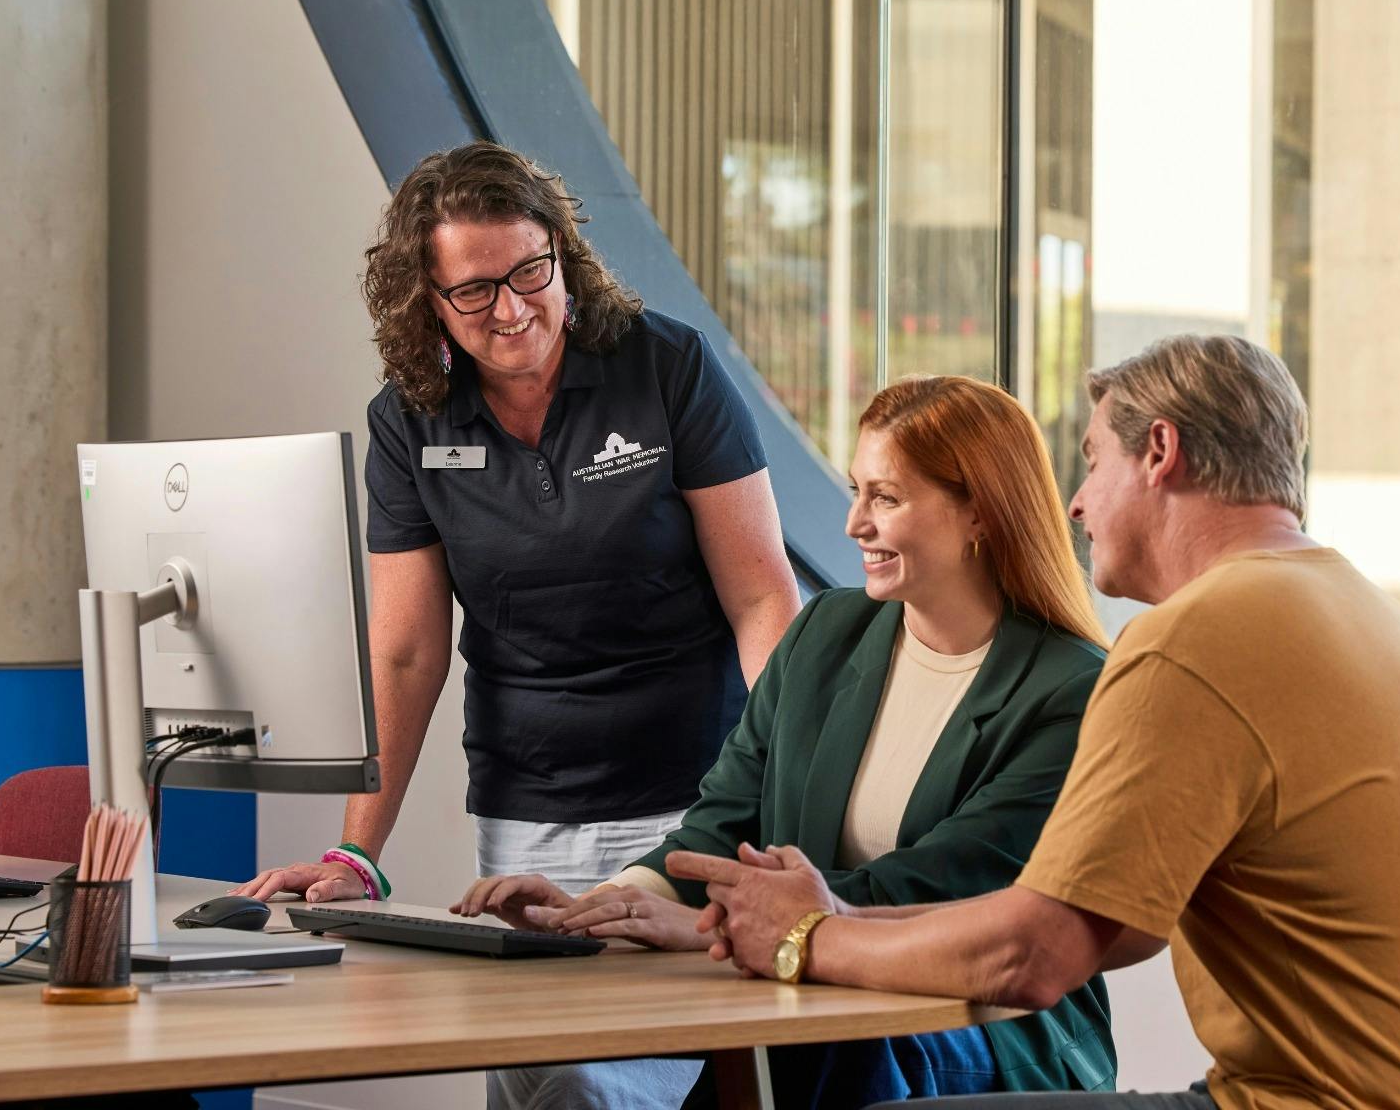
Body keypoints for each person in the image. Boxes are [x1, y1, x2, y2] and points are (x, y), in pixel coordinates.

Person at [669, 335, 1400, 1110]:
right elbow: (1123, 926)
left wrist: (806, 935)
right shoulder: (1348, 608)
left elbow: (1034, 957)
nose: (1073, 503)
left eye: (1094, 461)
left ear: (1161, 452)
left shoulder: (1195, 639)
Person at [232, 142, 802, 1106]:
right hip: (524, 818)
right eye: (475, 289)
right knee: (535, 1082)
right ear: (429, 303)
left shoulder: (665, 368)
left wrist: (783, 800)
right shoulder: (409, 422)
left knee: (604, 1089)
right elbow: (408, 653)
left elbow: (761, 602)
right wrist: (356, 853)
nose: (512, 307)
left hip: (690, 804)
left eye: (530, 271)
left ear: (563, 258)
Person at [454, 376, 1118, 1105]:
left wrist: (707, 926)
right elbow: (723, 820)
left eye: (886, 498)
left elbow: (937, 885)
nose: (854, 524)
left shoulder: (1071, 690)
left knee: (795, 1048)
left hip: (985, 1022)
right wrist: (602, 908)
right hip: (808, 987)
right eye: (855, 490)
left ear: (978, 514)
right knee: (563, 1036)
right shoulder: (825, 631)